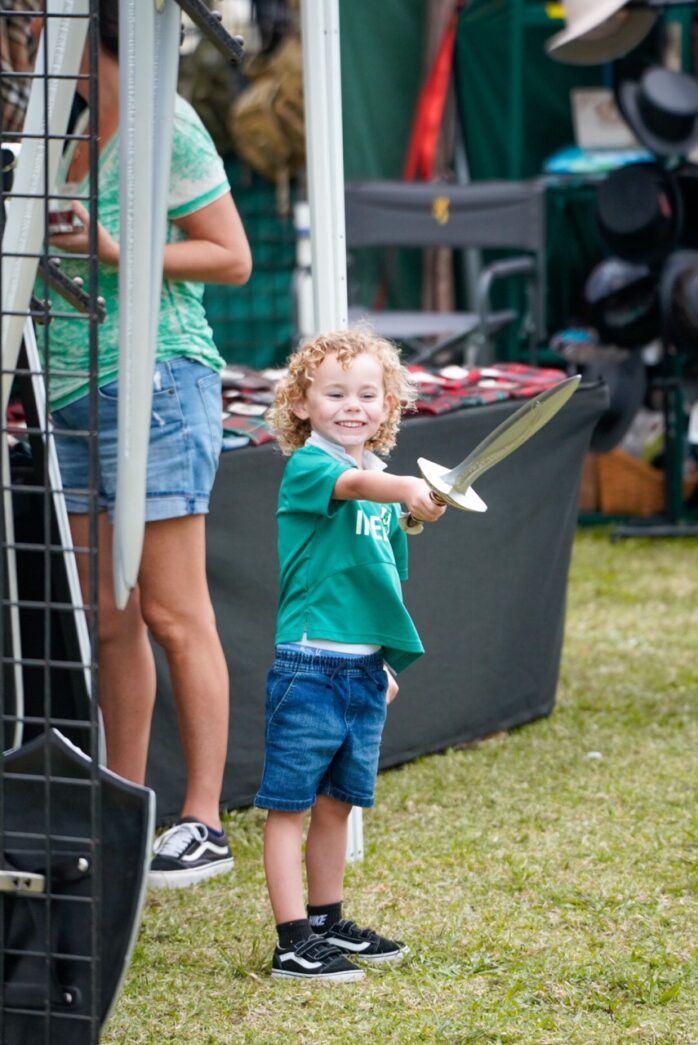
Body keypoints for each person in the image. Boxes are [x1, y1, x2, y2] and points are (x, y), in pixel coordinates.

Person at [41, 0, 252, 886]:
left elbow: (232, 256)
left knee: (171, 610)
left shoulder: (167, 121)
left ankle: (202, 819)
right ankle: (118, 801)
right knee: (111, 620)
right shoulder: (51, 134)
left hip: (157, 379)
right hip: (67, 391)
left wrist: (117, 250)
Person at [257, 328, 446, 981]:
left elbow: (387, 578)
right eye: (334, 392)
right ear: (302, 403)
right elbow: (360, 488)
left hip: (363, 673)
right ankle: (290, 941)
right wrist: (404, 490)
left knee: (339, 801)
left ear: (389, 406)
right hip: (309, 667)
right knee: (289, 806)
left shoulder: (382, 487)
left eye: (368, 393)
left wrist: (386, 663)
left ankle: (327, 920)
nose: (352, 405)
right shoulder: (311, 467)